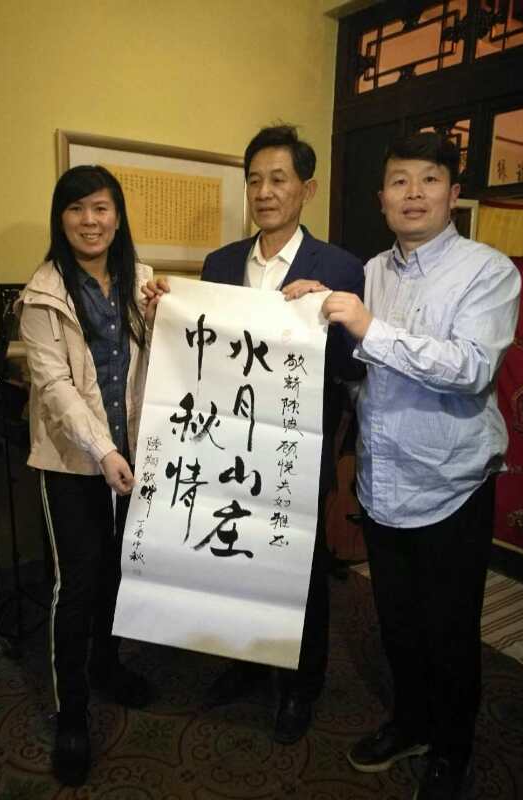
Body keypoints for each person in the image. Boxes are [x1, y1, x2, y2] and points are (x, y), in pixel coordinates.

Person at [145, 124, 364, 743]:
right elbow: (201, 353)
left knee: (300, 567)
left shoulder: (339, 267)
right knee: (234, 552)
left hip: (297, 444)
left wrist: (326, 316)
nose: (265, 192)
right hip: (228, 442)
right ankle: (245, 661)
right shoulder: (220, 264)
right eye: (255, 180)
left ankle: (301, 686)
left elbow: (353, 370)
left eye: (279, 179)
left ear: (306, 189)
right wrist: (165, 307)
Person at [322, 132, 521, 800]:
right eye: (399, 180)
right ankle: (410, 723)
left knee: (450, 630)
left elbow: (472, 369)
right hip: (383, 480)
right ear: (381, 198)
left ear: (453, 193)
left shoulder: (488, 271)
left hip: (451, 484)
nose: (413, 194)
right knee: (397, 622)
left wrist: (368, 328)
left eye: (429, 179)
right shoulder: (371, 271)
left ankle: (452, 749)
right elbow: (360, 369)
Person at [17, 165, 162, 786]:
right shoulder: (44, 293)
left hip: (135, 455)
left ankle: (107, 664)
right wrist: (103, 450)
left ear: (118, 216)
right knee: (76, 585)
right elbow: (54, 389)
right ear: (61, 219)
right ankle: (71, 713)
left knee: (120, 572)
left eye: (101, 208)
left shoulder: (141, 281)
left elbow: (172, 356)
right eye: (76, 209)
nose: (90, 221)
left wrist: (166, 313)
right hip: (73, 461)